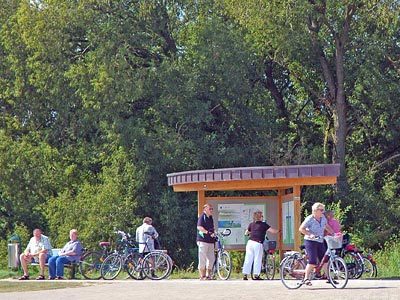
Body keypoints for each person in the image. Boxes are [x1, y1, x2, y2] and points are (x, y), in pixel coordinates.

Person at [299, 202, 333, 286]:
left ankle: (329, 278)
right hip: (310, 241)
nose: (323, 211)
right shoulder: (309, 219)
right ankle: (306, 278)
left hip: (320, 241)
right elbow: (301, 229)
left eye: (323, 210)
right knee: (312, 261)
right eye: (321, 210)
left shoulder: (323, 218)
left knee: (325, 259)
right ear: (315, 210)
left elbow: (326, 226)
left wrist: (333, 233)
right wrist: (310, 234)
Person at [242, 210, 278, 280]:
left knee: (248, 258)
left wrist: (251, 233)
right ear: (260, 217)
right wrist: (279, 231)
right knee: (257, 259)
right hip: (258, 243)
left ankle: (245, 275)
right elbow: (273, 231)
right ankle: (256, 275)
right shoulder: (264, 224)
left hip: (250, 243)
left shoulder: (251, 224)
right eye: (262, 216)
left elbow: (246, 233)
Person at [196, 203, 216, 280]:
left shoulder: (210, 217)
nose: (211, 210)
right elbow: (199, 227)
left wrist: (213, 233)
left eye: (212, 209)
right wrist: (207, 232)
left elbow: (212, 228)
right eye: (210, 209)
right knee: (202, 258)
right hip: (203, 240)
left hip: (210, 241)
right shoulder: (202, 217)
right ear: (205, 209)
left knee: (211, 258)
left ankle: (208, 275)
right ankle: (202, 275)